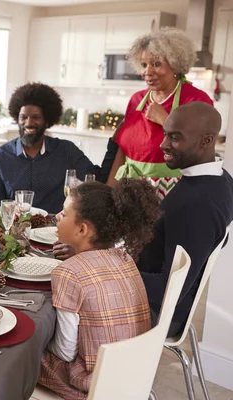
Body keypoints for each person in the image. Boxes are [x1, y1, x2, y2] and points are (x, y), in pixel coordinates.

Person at [38, 179, 161, 398]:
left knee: (24, 355)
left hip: (93, 386)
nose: (57, 216)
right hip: (132, 376)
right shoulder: (125, 258)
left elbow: (65, 352)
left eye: (64, 214)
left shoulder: (68, 272)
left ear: (82, 229)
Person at [137, 101, 233, 336]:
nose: (163, 144)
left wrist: (109, 272)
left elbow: (169, 289)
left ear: (207, 141)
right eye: (166, 134)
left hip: (156, 313)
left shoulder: (196, 204)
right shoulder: (221, 179)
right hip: (156, 299)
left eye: (175, 137)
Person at [107, 28, 213, 198]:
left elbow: (201, 149)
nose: (148, 72)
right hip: (131, 190)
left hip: (175, 190)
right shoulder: (137, 100)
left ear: (175, 64)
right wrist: (109, 191)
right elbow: (123, 150)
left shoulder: (196, 100)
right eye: (143, 65)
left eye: (156, 64)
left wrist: (166, 119)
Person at [0, 82, 97, 214]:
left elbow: (96, 180)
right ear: (17, 118)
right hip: (16, 230)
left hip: (55, 230)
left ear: (47, 121)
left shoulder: (67, 151)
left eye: (36, 117)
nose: (29, 123)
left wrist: (115, 145)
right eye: (23, 117)